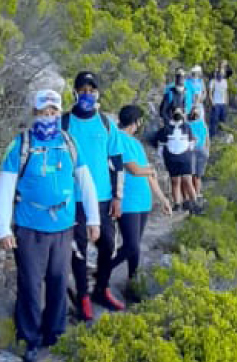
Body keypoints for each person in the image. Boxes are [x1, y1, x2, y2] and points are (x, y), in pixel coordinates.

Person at [0, 89, 101, 362]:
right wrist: (3, 228)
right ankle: (29, 337)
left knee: (58, 280)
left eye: (53, 112)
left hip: (64, 226)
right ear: (34, 113)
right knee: (30, 283)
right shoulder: (21, 145)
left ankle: (55, 333)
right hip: (30, 227)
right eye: (44, 112)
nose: (49, 117)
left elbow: (85, 181)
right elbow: (5, 186)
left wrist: (93, 219)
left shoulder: (68, 142)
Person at [61, 71, 127, 321]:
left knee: (108, 245)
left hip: (103, 198)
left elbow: (117, 162)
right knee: (78, 248)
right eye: (83, 89)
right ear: (75, 92)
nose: (87, 94)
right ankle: (83, 295)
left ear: (97, 93)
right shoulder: (64, 123)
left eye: (92, 89)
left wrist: (118, 196)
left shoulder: (107, 124)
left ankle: (102, 288)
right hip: (74, 199)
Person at [100, 105, 172, 298]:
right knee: (130, 245)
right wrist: (150, 170)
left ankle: (133, 284)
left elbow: (149, 175)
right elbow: (135, 169)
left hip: (143, 201)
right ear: (136, 121)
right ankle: (102, 273)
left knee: (135, 247)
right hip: (127, 201)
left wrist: (163, 198)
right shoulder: (119, 140)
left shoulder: (136, 144)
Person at [152, 107, 196, 213]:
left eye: (179, 112)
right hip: (173, 158)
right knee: (175, 181)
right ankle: (177, 203)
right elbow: (161, 144)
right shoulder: (166, 128)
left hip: (183, 158)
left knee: (187, 180)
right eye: (176, 112)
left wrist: (188, 151)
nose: (178, 114)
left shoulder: (186, 127)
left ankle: (193, 202)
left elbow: (191, 141)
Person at [187, 102, 210, 213]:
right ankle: (195, 194)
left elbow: (206, 138)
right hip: (197, 151)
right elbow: (206, 139)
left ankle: (195, 195)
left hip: (196, 151)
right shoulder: (197, 124)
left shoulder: (194, 124)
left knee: (194, 175)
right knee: (195, 175)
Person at [207, 61, 232, 132]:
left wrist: (227, 101)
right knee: (214, 121)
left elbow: (226, 92)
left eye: (222, 73)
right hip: (216, 103)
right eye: (219, 73)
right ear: (217, 73)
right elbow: (210, 92)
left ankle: (221, 134)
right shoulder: (213, 81)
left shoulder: (225, 81)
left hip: (223, 103)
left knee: (222, 120)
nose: (220, 74)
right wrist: (212, 102)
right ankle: (212, 135)